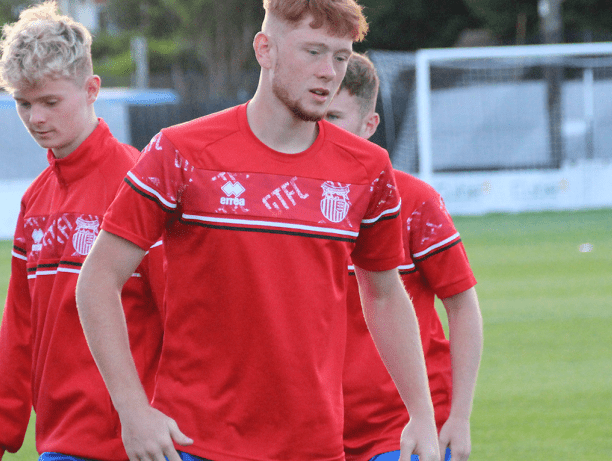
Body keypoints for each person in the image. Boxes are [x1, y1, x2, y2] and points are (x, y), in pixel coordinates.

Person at [75, 1, 441, 461]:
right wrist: (132, 410)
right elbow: (97, 280)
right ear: (264, 50)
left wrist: (422, 415)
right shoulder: (180, 151)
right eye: (312, 52)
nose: (329, 72)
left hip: (316, 446)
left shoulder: (367, 168)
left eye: (341, 57)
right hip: (196, 445)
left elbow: (385, 295)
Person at [0, 3, 164, 461]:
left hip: (139, 444)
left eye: (50, 102)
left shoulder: (140, 184)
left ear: (92, 89)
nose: (35, 118)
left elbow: (183, 318)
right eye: (24, 103)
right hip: (59, 443)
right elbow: (20, 328)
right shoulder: (34, 201)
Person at [326, 54, 483, 461]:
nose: (322, 132)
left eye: (335, 118)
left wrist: (460, 417)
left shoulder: (413, 202)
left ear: (369, 125)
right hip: (318, 428)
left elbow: (463, 307)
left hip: (406, 430)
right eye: (315, 118)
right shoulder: (288, 206)